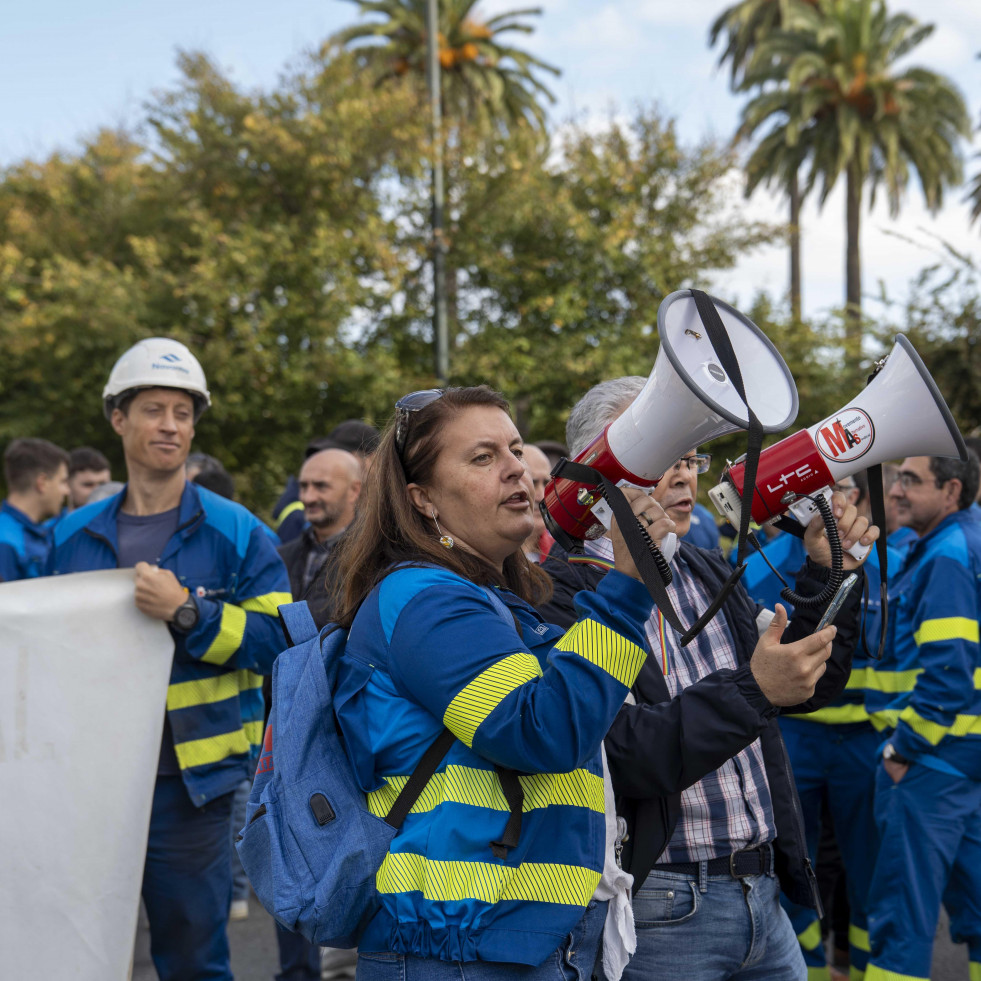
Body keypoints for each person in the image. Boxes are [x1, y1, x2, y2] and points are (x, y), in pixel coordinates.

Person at [329, 385, 671, 981]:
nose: (517, 468)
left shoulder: (492, 602)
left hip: (506, 943)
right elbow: (541, 731)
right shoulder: (425, 600)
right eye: (483, 458)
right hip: (455, 950)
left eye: (515, 448)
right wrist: (625, 591)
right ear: (423, 499)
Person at [539, 376, 875, 981]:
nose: (684, 475)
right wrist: (755, 689)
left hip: (759, 892)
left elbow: (802, 685)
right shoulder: (557, 593)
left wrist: (831, 576)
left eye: (691, 457)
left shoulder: (700, 563)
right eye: (659, 458)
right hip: (659, 908)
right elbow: (628, 754)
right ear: (597, 469)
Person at [47, 337, 291, 981]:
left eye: (183, 413)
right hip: (87, 782)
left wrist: (190, 612)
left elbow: (280, 643)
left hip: (191, 788)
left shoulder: (239, 533)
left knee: (192, 961)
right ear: (118, 419)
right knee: (74, 952)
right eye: (154, 409)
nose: (171, 425)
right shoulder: (69, 536)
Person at [741, 471, 899, 979]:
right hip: (794, 741)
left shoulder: (876, 565)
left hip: (863, 742)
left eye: (845, 491)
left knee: (868, 869)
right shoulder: (756, 569)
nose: (835, 503)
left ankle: (856, 966)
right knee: (796, 865)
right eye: (821, 495)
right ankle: (804, 965)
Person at [864, 452, 981, 981]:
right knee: (977, 917)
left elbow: (948, 674)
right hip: (965, 761)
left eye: (912, 481)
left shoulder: (946, 555)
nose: (895, 492)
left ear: (952, 490)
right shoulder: (966, 541)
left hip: (928, 764)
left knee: (901, 926)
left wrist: (902, 748)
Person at [277, 447, 362, 628]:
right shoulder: (282, 556)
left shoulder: (374, 557)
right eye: (303, 486)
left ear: (354, 490)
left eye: (321, 486)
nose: (308, 498)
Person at [273, 420, 380, 545]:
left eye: (342, 455)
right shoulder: (303, 517)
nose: (330, 463)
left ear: (373, 459)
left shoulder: (396, 512)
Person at [0, 437, 69, 580]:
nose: (66, 491)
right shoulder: (5, 542)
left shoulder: (32, 533)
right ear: (42, 483)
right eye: (62, 481)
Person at [519, 442, 553, 563]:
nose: (542, 496)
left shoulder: (562, 554)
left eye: (546, 484)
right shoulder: (485, 552)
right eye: (533, 483)